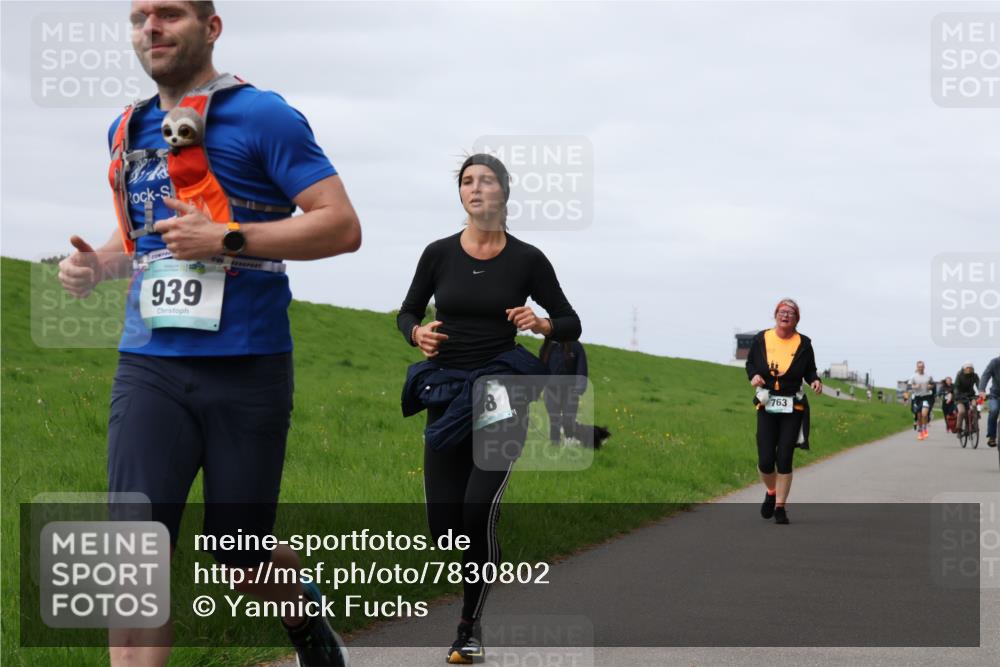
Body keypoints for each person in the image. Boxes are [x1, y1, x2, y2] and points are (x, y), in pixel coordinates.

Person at [56, 3, 360, 665]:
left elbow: (340, 225)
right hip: (149, 367)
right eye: (139, 17)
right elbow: (141, 241)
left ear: (211, 28)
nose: (151, 29)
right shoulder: (126, 128)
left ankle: (303, 617)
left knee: (238, 552)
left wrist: (225, 235)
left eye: (168, 14)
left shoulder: (263, 116)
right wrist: (97, 265)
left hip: (247, 367)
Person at [397, 154, 581, 664]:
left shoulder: (528, 259)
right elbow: (408, 309)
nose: (476, 189)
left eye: (486, 181)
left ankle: (468, 626)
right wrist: (416, 331)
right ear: (460, 195)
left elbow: (570, 321)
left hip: (502, 390)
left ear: (504, 192)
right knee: (445, 526)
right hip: (448, 391)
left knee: (478, 511)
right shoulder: (438, 254)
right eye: (467, 181)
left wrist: (540, 323)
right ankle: (474, 584)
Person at [745, 298, 823, 525]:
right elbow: (750, 364)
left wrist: (815, 381)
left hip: (793, 406)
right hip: (767, 403)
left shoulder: (804, 343)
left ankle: (780, 506)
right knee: (766, 459)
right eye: (782, 311)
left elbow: (810, 370)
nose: (785, 315)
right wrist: (754, 377)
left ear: (796, 318)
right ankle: (771, 491)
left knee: (785, 457)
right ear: (775, 314)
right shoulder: (762, 338)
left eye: (790, 313)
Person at [538, 339, 610, 448]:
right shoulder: (546, 347)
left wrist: (580, 387)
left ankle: (573, 441)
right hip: (551, 391)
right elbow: (540, 370)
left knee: (568, 420)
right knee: (554, 420)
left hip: (570, 391)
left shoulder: (576, 346)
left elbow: (582, 367)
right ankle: (555, 445)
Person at [907, 361, 935, 440]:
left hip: (926, 397)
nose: (920, 368)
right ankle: (921, 432)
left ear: (924, 367)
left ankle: (925, 428)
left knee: (924, 414)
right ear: (917, 367)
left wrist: (930, 386)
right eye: (919, 367)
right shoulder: (913, 377)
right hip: (917, 398)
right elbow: (909, 386)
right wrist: (914, 386)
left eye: (922, 367)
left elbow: (933, 385)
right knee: (919, 415)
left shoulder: (928, 376)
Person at [954, 362, 981, 438]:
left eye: (970, 368)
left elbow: (979, 384)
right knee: (962, 411)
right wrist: (957, 394)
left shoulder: (974, 375)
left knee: (974, 406)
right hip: (960, 397)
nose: (969, 369)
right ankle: (958, 429)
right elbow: (956, 386)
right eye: (967, 368)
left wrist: (981, 391)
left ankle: (974, 424)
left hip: (971, 395)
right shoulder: (959, 375)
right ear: (964, 369)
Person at [979, 354, 1000, 448]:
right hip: (995, 394)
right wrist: (982, 390)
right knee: (994, 410)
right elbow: (985, 376)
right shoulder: (995, 362)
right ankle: (992, 436)